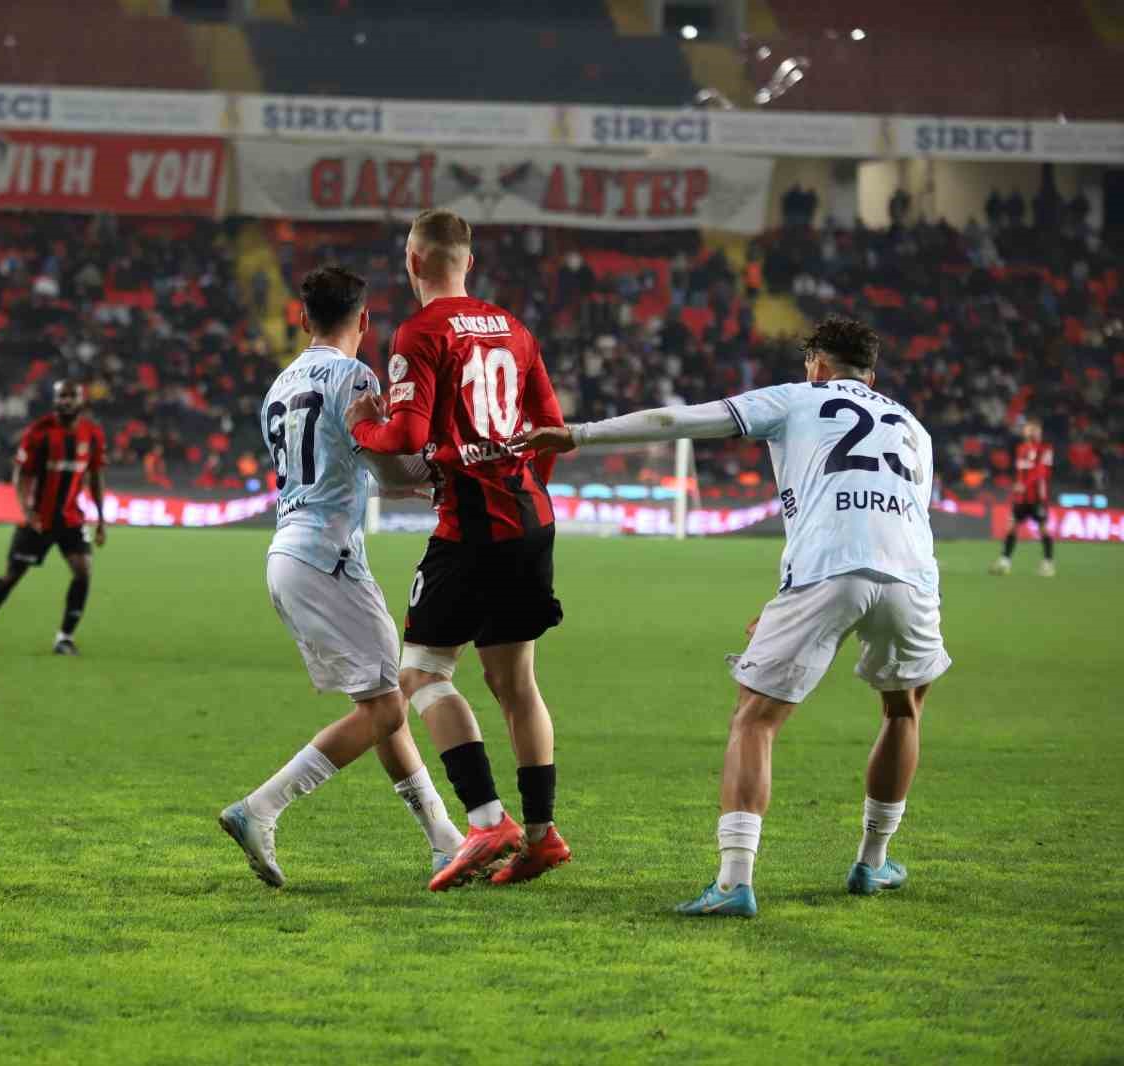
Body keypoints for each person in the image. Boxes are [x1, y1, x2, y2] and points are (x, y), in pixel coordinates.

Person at [514, 315, 950, 918]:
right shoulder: (916, 428)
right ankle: (873, 863)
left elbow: (679, 420)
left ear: (817, 366)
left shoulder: (798, 399)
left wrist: (578, 434)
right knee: (903, 711)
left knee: (755, 719)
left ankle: (734, 881)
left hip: (827, 571)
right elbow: (892, 516)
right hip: (911, 575)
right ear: (870, 375)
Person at [344, 209, 571, 892]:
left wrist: (363, 426)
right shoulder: (514, 327)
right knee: (515, 684)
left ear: (413, 262)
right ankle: (540, 836)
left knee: (419, 677)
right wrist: (524, 496)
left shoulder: (419, 333)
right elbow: (551, 430)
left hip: (470, 530)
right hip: (530, 519)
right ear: (466, 263)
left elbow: (407, 436)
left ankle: (486, 819)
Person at [218, 265, 465, 888]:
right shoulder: (356, 378)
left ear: (302, 319)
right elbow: (390, 474)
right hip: (326, 555)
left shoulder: (278, 385)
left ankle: (444, 841)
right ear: (366, 321)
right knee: (391, 701)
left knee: (380, 701)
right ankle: (261, 807)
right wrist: (444, 470)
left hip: (287, 552)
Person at [0, 380, 107, 655]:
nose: (65, 401)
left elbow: (96, 476)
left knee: (83, 572)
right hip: (39, 519)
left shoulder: (92, 434)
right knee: (12, 577)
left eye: (70, 397)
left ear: (80, 401)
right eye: (61, 396)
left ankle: (64, 638)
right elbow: (21, 475)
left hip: (72, 519)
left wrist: (100, 520)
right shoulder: (40, 432)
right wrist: (27, 512)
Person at [991, 420, 1055, 577]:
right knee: (1011, 526)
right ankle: (1005, 561)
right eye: (1029, 429)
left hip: (1038, 497)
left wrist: (1024, 485)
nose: (1031, 432)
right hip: (1020, 498)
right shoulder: (1020, 449)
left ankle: (1048, 563)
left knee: (1043, 528)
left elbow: (1041, 472)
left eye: (1035, 429)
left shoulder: (1045, 449)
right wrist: (1018, 487)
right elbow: (1020, 472)